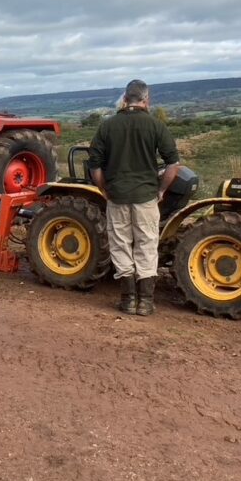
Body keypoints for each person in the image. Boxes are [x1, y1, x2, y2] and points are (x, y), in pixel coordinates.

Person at [88, 80, 180, 316]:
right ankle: (146, 302)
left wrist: (104, 190)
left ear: (125, 99)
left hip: (117, 197)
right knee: (146, 245)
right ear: (146, 100)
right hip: (146, 197)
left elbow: (95, 167)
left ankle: (128, 300)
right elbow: (173, 164)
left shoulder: (107, 126)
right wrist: (161, 190)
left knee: (120, 245)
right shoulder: (155, 125)